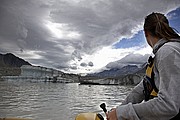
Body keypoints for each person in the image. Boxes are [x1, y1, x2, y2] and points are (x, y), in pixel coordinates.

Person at [107, 12, 180, 120]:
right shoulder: (162, 54)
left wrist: (122, 113)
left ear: (145, 33)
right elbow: (140, 89)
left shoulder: (168, 52)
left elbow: (169, 105)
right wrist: (118, 111)